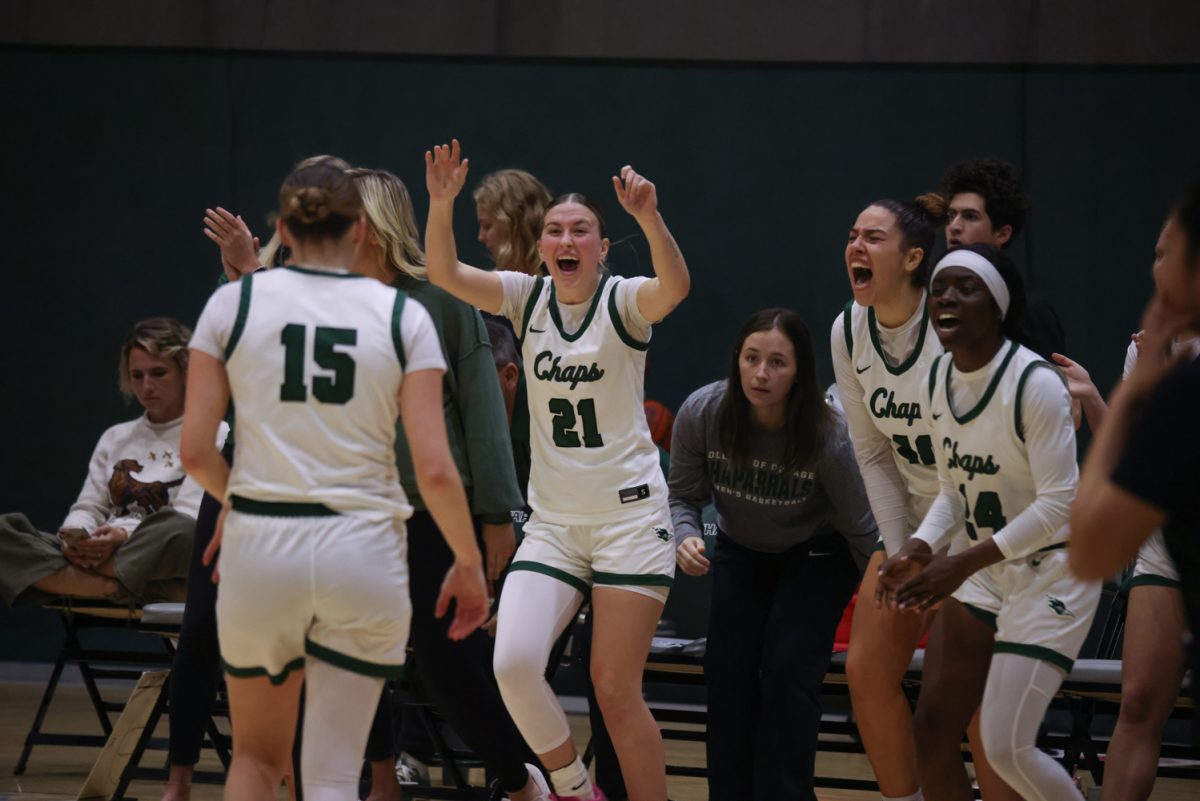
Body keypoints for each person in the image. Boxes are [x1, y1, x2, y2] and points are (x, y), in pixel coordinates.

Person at [180, 159, 488, 801]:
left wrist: (239, 503)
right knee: (331, 773)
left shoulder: (230, 304)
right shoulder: (405, 316)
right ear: (361, 231)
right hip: (362, 549)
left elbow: (195, 453)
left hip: (262, 544)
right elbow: (434, 469)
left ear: (282, 230)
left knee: (258, 761)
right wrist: (467, 559)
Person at [424, 139, 690, 801]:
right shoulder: (525, 296)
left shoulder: (625, 301)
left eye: (581, 230)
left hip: (630, 520)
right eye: (554, 230)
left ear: (601, 246)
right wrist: (439, 204)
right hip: (555, 524)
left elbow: (677, 287)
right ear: (540, 244)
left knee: (613, 687)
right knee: (512, 663)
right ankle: (573, 788)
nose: (566, 239)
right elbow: (443, 272)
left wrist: (650, 218)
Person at [346, 166, 547, 801]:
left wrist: (494, 515)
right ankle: (381, 781)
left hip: (433, 510)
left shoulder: (439, 299)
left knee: (446, 665)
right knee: (351, 656)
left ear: (373, 224)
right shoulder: (322, 302)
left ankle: (525, 782)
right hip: (350, 511)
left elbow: (486, 415)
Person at [879, 243, 1101, 801]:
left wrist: (960, 563)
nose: (946, 298)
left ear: (997, 307)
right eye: (939, 287)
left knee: (1005, 747)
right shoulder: (936, 382)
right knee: (930, 731)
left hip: (1052, 572)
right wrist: (919, 547)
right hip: (985, 570)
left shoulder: (1035, 384)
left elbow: (1058, 505)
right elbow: (955, 489)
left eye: (965, 287)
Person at [670, 307, 876, 800]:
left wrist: (891, 595)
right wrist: (685, 534)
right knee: (727, 675)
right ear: (736, 360)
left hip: (819, 556)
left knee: (786, 674)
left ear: (800, 370)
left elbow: (863, 531)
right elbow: (681, 495)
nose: (762, 374)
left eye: (778, 362)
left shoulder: (827, 435)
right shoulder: (703, 412)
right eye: (752, 358)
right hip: (743, 551)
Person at [831, 193, 981, 801]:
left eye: (873, 238)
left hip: (980, 526)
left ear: (915, 257)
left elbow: (973, 467)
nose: (855, 248)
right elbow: (870, 452)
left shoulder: (955, 330)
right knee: (866, 672)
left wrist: (928, 551)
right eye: (852, 236)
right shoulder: (848, 328)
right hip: (913, 532)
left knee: (971, 705)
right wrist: (899, 551)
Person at [1071, 181, 1200, 739]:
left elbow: (1093, 543)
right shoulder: (1153, 353)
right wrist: (1117, 395)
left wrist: (1132, 394)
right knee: (1139, 703)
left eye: (1167, 254)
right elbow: (1133, 471)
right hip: (1166, 551)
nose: (1156, 268)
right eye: (1154, 254)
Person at [1, 317, 217, 609]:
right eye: (137, 375)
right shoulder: (116, 437)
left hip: (153, 551)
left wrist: (121, 537)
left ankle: (77, 580)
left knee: (186, 531)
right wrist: (76, 540)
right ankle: (110, 586)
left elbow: (189, 517)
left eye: (158, 373)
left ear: (185, 372)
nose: (147, 386)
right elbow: (89, 507)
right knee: (5, 532)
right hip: (104, 553)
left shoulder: (211, 433)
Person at [939, 158, 1067, 361]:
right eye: (951, 215)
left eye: (970, 216)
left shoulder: (1032, 313)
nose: (954, 226)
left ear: (1002, 233)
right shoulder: (938, 304)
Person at [474, 168, 554, 276]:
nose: (481, 237)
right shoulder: (491, 284)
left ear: (514, 224)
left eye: (487, 226)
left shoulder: (562, 281)